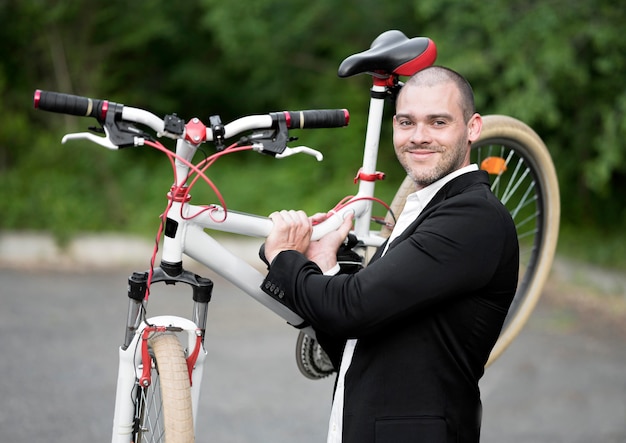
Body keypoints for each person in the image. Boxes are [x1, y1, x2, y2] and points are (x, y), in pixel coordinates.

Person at [260, 66, 519, 443]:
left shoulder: (473, 217)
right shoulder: (425, 212)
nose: (419, 137)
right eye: (406, 122)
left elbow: (353, 308)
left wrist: (284, 257)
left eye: (438, 122)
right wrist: (323, 264)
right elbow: (357, 345)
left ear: (472, 128)